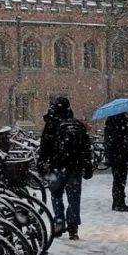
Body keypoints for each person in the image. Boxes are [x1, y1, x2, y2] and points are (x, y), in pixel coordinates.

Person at [38, 96, 93, 240]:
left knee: (56, 195)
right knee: (74, 197)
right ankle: (73, 227)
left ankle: (59, 221)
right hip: (75, 167)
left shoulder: (51, 124)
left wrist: (42, 162)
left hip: (57, 166)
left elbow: (44, 146)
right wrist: (87, 165)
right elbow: (86, 148)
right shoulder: (77, 125)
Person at [103, 113, 128, 212]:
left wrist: (109, 158)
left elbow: (108, 144)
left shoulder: (109, 127)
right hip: (122, 157)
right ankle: (119, 203)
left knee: (117, 180)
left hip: (115, 158)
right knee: (120, 180)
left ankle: (117, 202)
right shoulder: (124, 127)